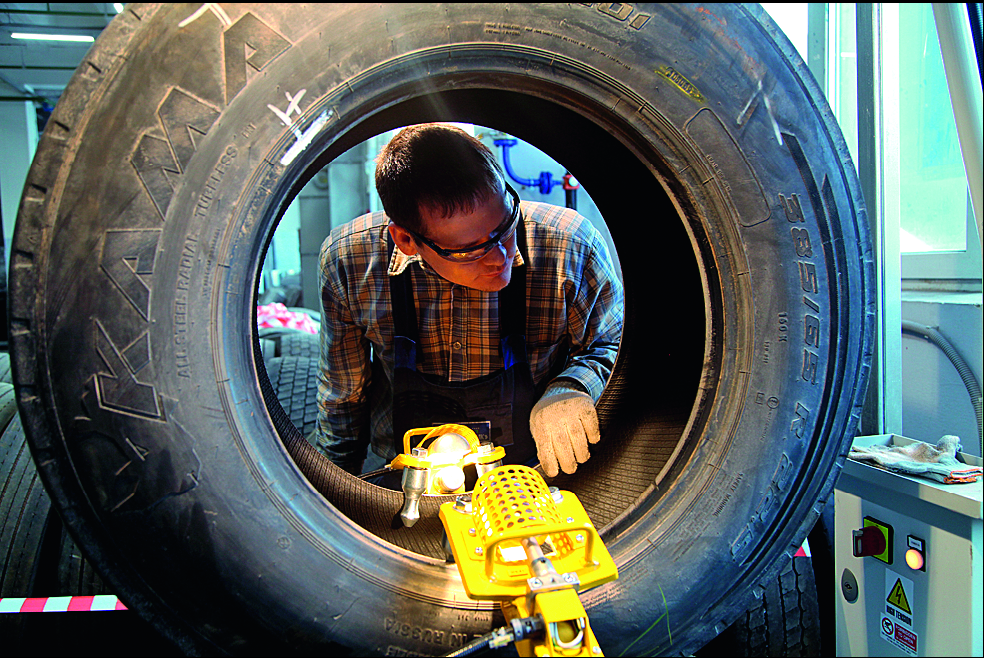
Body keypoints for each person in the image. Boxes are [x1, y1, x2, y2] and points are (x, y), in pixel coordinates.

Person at [313, 123, 623, 478]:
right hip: (406, 480)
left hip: (535, 478)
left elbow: (609, 344)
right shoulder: (350, 262)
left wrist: (572, 386)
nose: (500, 256)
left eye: (505, 226)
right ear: (406, 240)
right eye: (470, 249)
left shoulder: (570, 244)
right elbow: (343, 397)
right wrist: (334, 489)